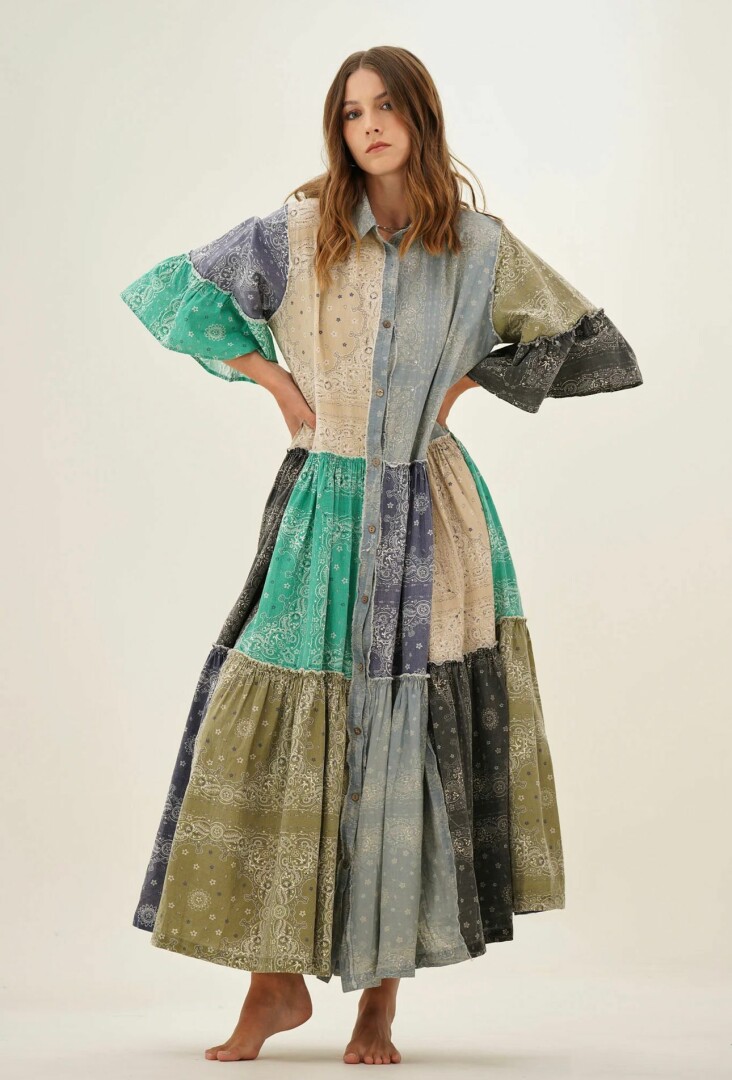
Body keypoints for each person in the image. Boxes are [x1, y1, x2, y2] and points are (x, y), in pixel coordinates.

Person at [119, 45, 642, 1066]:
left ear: (421, 118)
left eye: (388, 106)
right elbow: (170, 293)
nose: (370, 124)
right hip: (323, 507)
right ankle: (273, 988)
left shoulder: (481, 248)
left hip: (431, 519)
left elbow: (593, 345)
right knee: (269, 729)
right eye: (353, 110)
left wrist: (470, 381)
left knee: (404, 746)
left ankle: (378, 1007)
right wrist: (278, 384)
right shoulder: (300, 230)